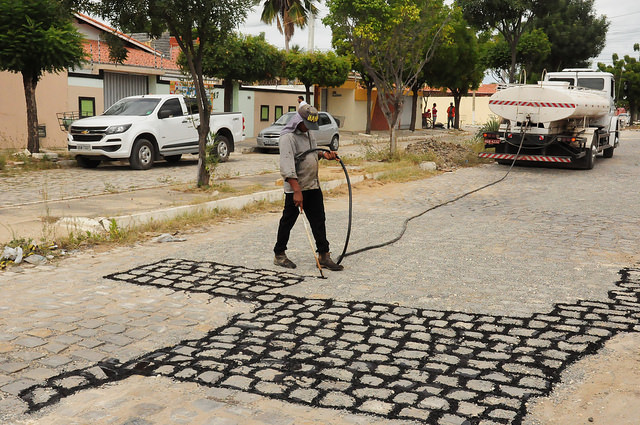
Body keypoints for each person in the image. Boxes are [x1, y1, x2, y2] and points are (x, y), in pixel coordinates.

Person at [273, 103, 344, 271]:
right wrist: (297, 192)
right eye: (306, 125)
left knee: (319, 220)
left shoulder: (309, 133)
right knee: (287, 222)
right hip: (296, 188)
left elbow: (312, 152)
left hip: (313, 185)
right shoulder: (287, 138)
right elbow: (287, 167)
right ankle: (279, 254)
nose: (309, 128)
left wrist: (324, 154)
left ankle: (324, 255)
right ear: (298, 121)